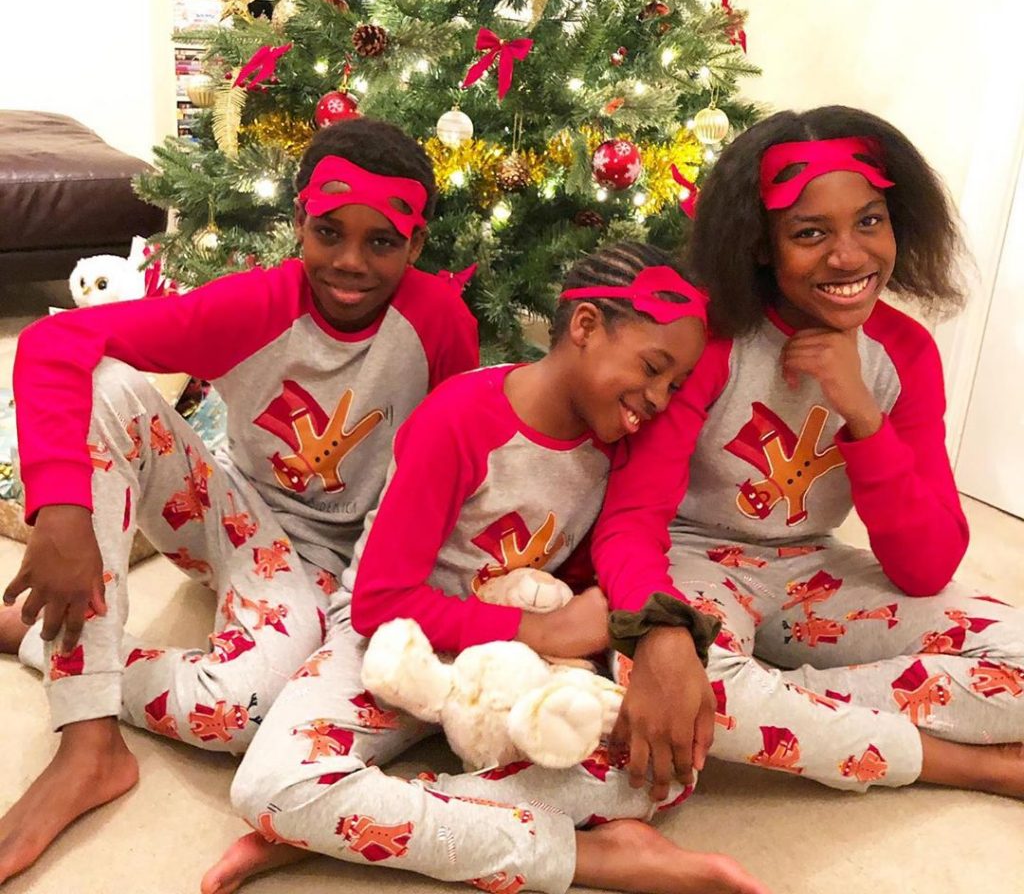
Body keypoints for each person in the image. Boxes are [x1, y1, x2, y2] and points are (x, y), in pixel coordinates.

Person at [202, 242, 770, 894]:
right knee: (272, 786)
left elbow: (625, 543)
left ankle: (349, 820)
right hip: (398, 641)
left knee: (660, 764)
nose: (661, 400)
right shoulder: (461, 417)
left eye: (675, 384)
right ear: (585, 326)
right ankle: (595, 858)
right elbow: (379, 602)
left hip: (513, 663)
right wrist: (539, 631)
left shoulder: (622, 438)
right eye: (652, 368)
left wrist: (620, 643)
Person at [0, 118, 479, 883]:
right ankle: (87, 740)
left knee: (238, 714)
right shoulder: (254, 305)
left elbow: (459, 461)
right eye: (329, 232)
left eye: (382, 242)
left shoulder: (440, 324)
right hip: (227, 514)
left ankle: (41, 637)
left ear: (416, 245)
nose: (350, 263)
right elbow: (54, 344)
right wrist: (61, 512)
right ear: (299, 222)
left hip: (336, 564)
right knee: (105, 384)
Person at [591, 106, 1024, 798]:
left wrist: (864, 415)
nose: (848, 256)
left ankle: (775, 696)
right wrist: (663, 631)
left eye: (870, 221)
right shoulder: (710, 340)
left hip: (811, 566)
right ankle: (963, 763)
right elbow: (630, 518)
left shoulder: (904, 353)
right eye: (810, 233)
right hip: (690, 559)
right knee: (661, 680)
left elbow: (927, 567)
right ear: (762, 244)